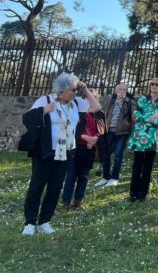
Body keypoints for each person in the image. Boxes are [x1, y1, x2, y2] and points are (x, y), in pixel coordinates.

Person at [22, 73, 101, 235]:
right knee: (37, 186)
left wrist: (85, 90)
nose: (75, 93)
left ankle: (44, 221)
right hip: (45, 152)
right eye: (73, 90)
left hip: (65, 152)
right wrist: (43, 111)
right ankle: (30, 223)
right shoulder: (45, 100)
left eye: (76, 90)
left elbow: (96, 107)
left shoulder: (76, 103)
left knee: (55, 187)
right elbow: (27, 119)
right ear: (61, 91)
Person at [61, 89, 105, 211]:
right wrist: (86, 138)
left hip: (89, 149)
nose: (89, 100)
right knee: (71, 176)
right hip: (75, 149)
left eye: (92, 97)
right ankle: (66, 203)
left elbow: (101, 130)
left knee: (84, 177)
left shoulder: (98, 114)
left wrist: (94, 139)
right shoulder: (76, 112)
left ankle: (78, 201)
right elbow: (71, 129)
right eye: (87, 97)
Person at [128, 78, 158, 202]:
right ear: (149, 86)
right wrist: (150, 118)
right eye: (152, 84)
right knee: (137, 164)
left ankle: (142, 193)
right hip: (140, 137)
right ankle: (133, 192)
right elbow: (136, 115)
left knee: (148, 165)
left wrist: (152, 119)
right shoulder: (142, 99)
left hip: (153, 138)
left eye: (157, 84)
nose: (154, 86)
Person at [95, 83, 136, 188]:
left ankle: (114, 178)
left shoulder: (130, 102)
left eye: (124, 90)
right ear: (116, 91)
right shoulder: (111, 101)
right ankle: (106, 177)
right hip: (109, 132)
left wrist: (131, 134)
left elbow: (134, 119)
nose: (122, 91)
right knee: (106, 154)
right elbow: (106, 115)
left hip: (122, 132)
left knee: (118, 155)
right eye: (120, 89)